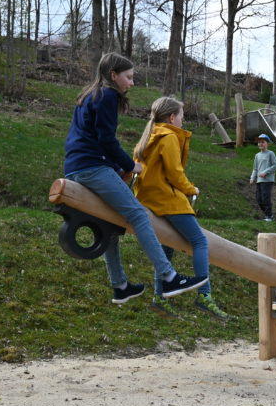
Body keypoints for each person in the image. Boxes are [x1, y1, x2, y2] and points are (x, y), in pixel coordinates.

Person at [63, 53, 206, 304]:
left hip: (76, 167)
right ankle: (169, 276)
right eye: (128, 77)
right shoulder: (107, 96)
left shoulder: (88, 95)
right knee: (138, 215)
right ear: (113, 75)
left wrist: (118, 167)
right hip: (93, 167)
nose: (131, 83)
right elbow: (107, 140)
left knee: (108, 222)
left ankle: (120, 286)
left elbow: (92, 138)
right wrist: (131, 166)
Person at [133, 96, 227, 320]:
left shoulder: (147, 138)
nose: (183, 122)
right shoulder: (169, 137)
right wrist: (191, 189)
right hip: (167, 199)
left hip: (147, 199)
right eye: (182, 117)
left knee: (168, 245)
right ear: (172, 117)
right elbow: (175, 173)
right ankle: (204, 295)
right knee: (199, 241)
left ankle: (159, 296)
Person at [249, 133, 276, 221]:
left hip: (268, 180)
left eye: (263, 142)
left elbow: (275, 166)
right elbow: (255, 168)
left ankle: (269, 216)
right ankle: (268, 215)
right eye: (259, 142)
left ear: (268, 144)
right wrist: (252, 178)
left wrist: (265, 172)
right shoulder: (257, 155)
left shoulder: (271, 154)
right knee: (259, 199)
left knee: (266, 198)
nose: (260, 144)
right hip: (259, 181)